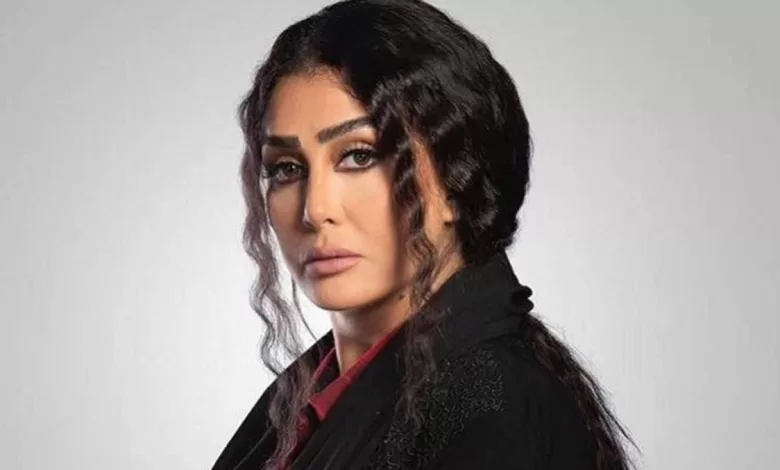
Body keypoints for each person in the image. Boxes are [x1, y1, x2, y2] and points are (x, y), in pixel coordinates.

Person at [212, 0, 637, 469]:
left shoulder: (490, 409)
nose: (315, 210)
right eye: (287, 168)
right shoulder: (309, 397)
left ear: (457, 179)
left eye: (359, 156)